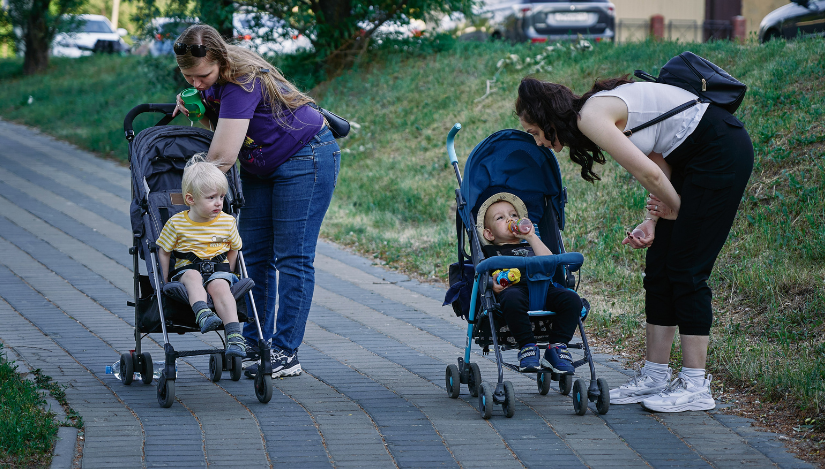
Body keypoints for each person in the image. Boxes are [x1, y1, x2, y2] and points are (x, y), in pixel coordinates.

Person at [515, 76, 753, 412]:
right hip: (691, 159)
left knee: (686, 269)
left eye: (536, 133)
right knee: (659, 271)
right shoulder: (594, 111)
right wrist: (654, 219)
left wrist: (679, 211)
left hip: (719, 151)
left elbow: (651, 176)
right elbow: (659, 159)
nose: (538, 142)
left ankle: (696, 385)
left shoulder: (591, 117)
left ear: (548, 120)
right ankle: (655, 376)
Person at [171, 24, 339, 378]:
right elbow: (215, 130)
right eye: (188, 77)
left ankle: (285, 351)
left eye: (202, 76)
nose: (196, 82)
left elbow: (221, 156)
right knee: (255, 254)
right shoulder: (213, 82)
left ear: (219, 60)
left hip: (305, 157)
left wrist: (190, 199)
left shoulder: (241, 81)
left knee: (292, 255)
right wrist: (198, 106)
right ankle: (254, 339)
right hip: (263, 165)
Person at [477, 191, 583, 374]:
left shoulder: (531, 244)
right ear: (489, 233)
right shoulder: (491, 251)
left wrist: (532, 237)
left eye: (514, 215)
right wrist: (492, 285)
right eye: (500, 218)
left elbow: (551, 262)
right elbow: (487, 276)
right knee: (511, 299)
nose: (510, 220)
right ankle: (527, 346)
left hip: (544, 289)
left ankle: (557, 347)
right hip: (514, 290)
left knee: (572, 300)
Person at [156, 154, 245, 358]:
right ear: (190, 199)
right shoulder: (177, 223)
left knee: (221, 287)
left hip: (218, 270)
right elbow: (164, 250)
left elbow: (234, 248)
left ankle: (234, 337)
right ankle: (203, 314)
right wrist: (164, 277)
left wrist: (228, 272)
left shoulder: (227, 222)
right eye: (211, 198)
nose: (218, 203)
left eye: (222, 197)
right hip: (187, 270)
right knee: (193, 277)